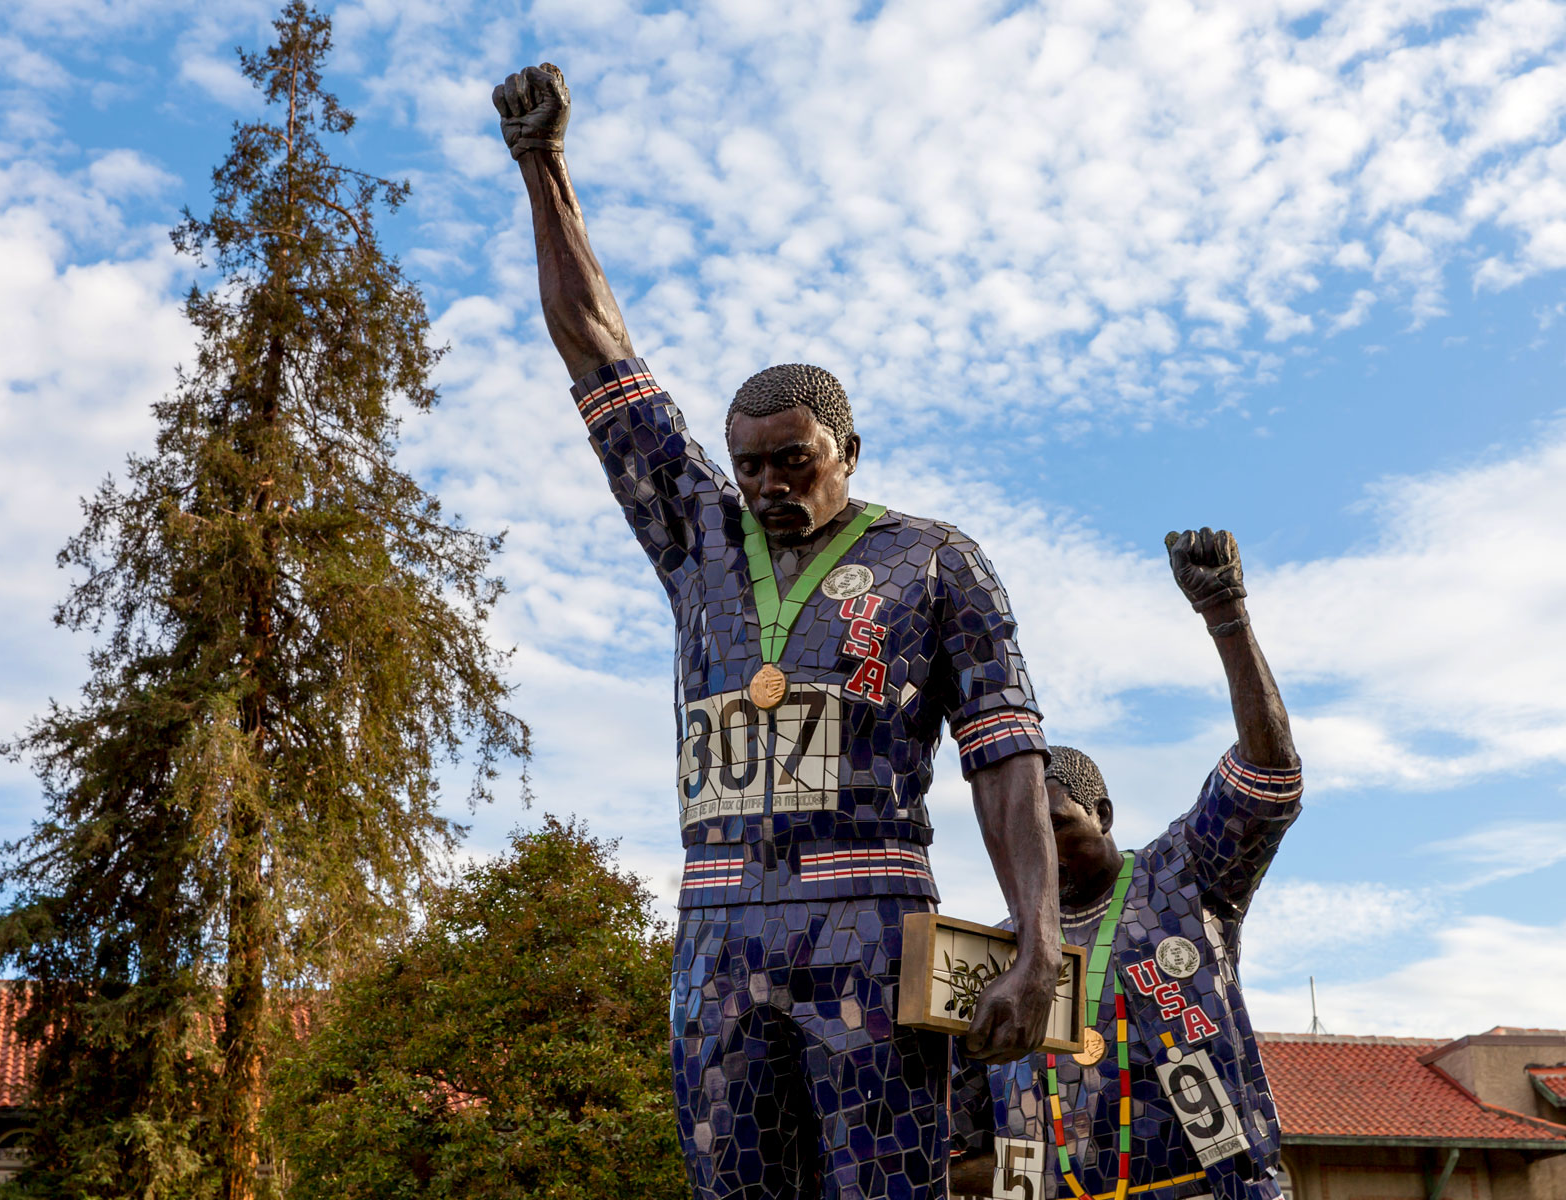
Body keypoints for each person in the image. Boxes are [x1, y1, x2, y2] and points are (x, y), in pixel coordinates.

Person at [491, 63, 1063, 1200]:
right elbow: (596, 347)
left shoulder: (935, 559)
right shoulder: (696, 535)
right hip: (718, 928)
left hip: (868, 922)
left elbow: (1007, 759)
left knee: (881, 1185)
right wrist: (542, 166)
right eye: (747, 463)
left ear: (847, 449)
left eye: (791, 460)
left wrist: (1038, 939)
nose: (764, 483)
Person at [950, 528, 1302, 1200]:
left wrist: (1227, 619)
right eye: (1020, 837)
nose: (1039, 854)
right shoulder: (999, 955)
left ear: (1102, 815)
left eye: (1054, 827)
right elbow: (965, 1135)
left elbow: (1268, 775)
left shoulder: (1181, 879)